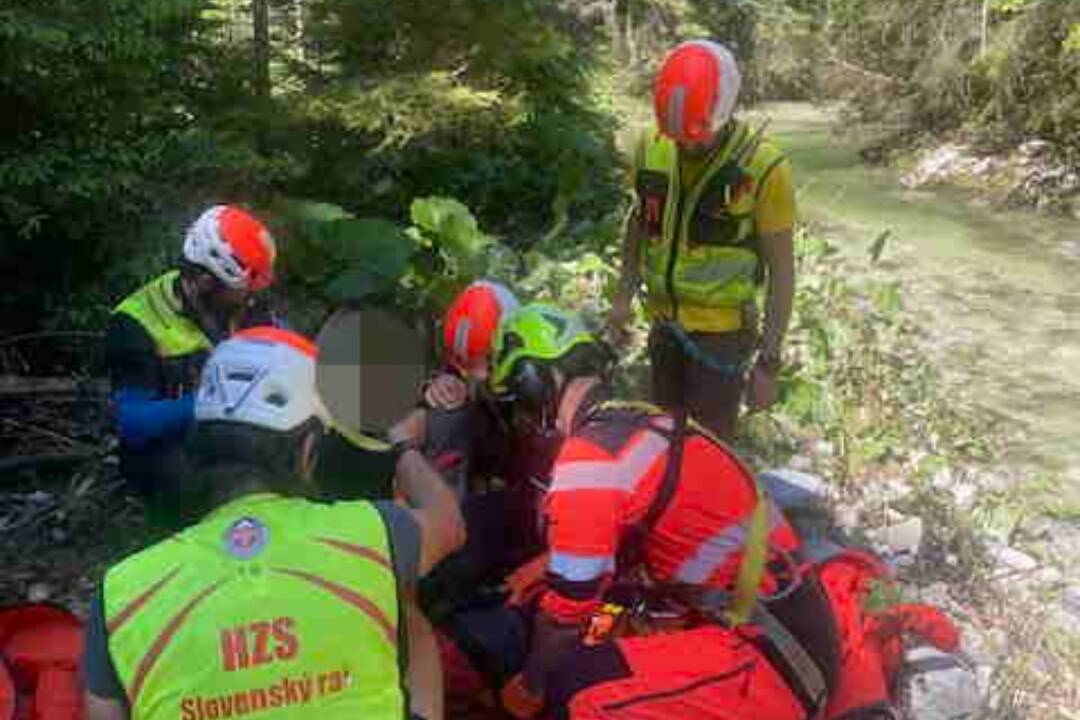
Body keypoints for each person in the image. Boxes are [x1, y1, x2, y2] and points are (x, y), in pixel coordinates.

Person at [83, 327, 465, 720]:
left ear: (198, 442)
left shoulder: (121, 595)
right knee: (405, 607)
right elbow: (449, 523)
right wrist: (402, 446)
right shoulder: (374, 535)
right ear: (308, 449)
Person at [487, 304, 841, 720]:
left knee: (573, 683)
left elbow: (566, 615)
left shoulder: (588, 460)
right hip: (786, 630)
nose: (524, 419)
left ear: (536, 383)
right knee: (603, 622)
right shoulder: (642, 422)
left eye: (520, 402)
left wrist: (529, 689)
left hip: (772, 663)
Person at [609, 40, 796, 441]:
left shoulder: (764, 168)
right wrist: (623, 299)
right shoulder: (651, 147)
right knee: (659, 440)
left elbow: (782, 273)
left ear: (723, 112)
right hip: (663, 325)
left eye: (697, 136)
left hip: (722, 340)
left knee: (707, 450)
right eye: (677, 136)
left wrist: (768, 364)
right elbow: (639, 223)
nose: (686, 145)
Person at [107, 205, 279, 523]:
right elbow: (133, 424)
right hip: (171, 445)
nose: (250, 299)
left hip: (237, 431)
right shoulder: (135, 322)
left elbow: (283, 342)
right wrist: (213, 400)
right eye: (240, 292)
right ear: (204, 281)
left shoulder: (247, 303)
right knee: (185, 477)